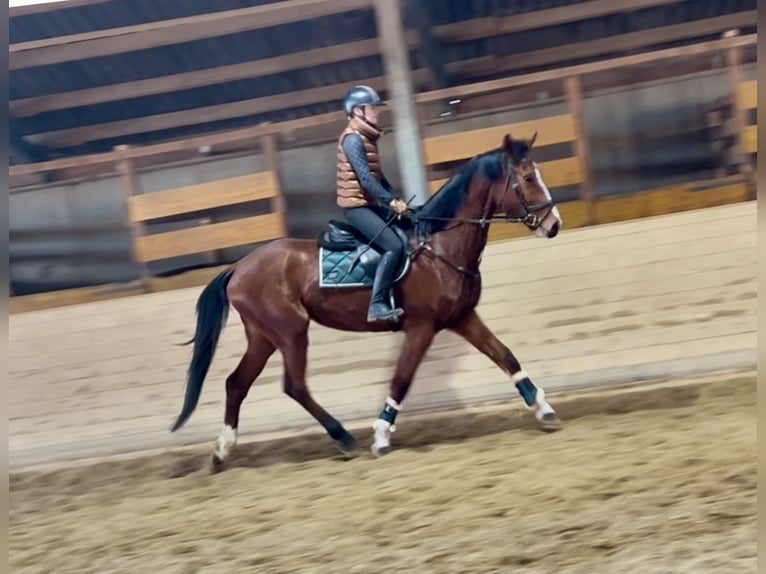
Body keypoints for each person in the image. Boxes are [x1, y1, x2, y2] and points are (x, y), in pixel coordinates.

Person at [336, 85, 409, 322]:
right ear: (358, 111)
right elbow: (366, 180)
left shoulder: (365, 138)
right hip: (356, 208)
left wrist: (397, 200)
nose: (377, 112)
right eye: (373, 108)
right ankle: (376, 304)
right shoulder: (353, 140)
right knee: (394, 246)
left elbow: (378, 178)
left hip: (367, 204)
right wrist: (390, 201)